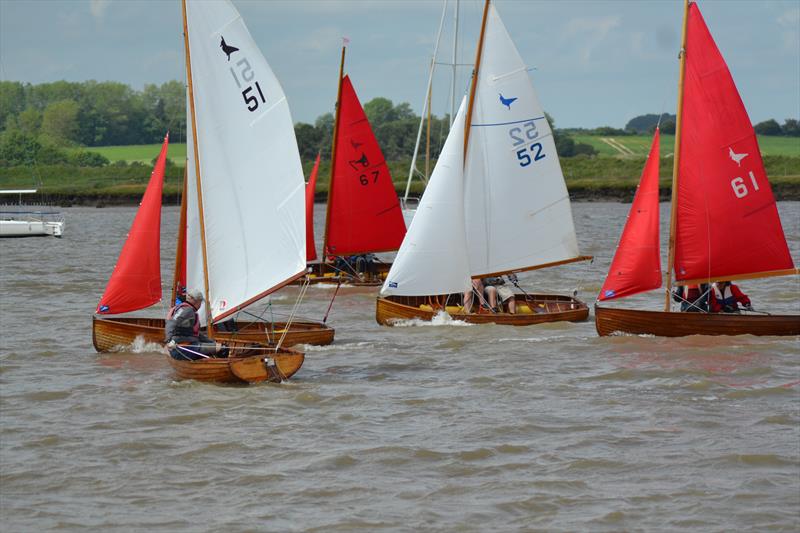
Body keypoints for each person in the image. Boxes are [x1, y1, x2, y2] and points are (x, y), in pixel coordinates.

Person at [164, 289, 224, 360]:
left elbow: (197, 334)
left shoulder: (187, 309)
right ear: (196, 301)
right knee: (223, 348)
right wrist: (169, 340)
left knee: (218, 347)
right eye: (200, 302)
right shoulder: (186, 310)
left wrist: (212, 342)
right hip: (183, 349)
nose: (200, 305)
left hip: (188, 346)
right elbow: (171, 323)